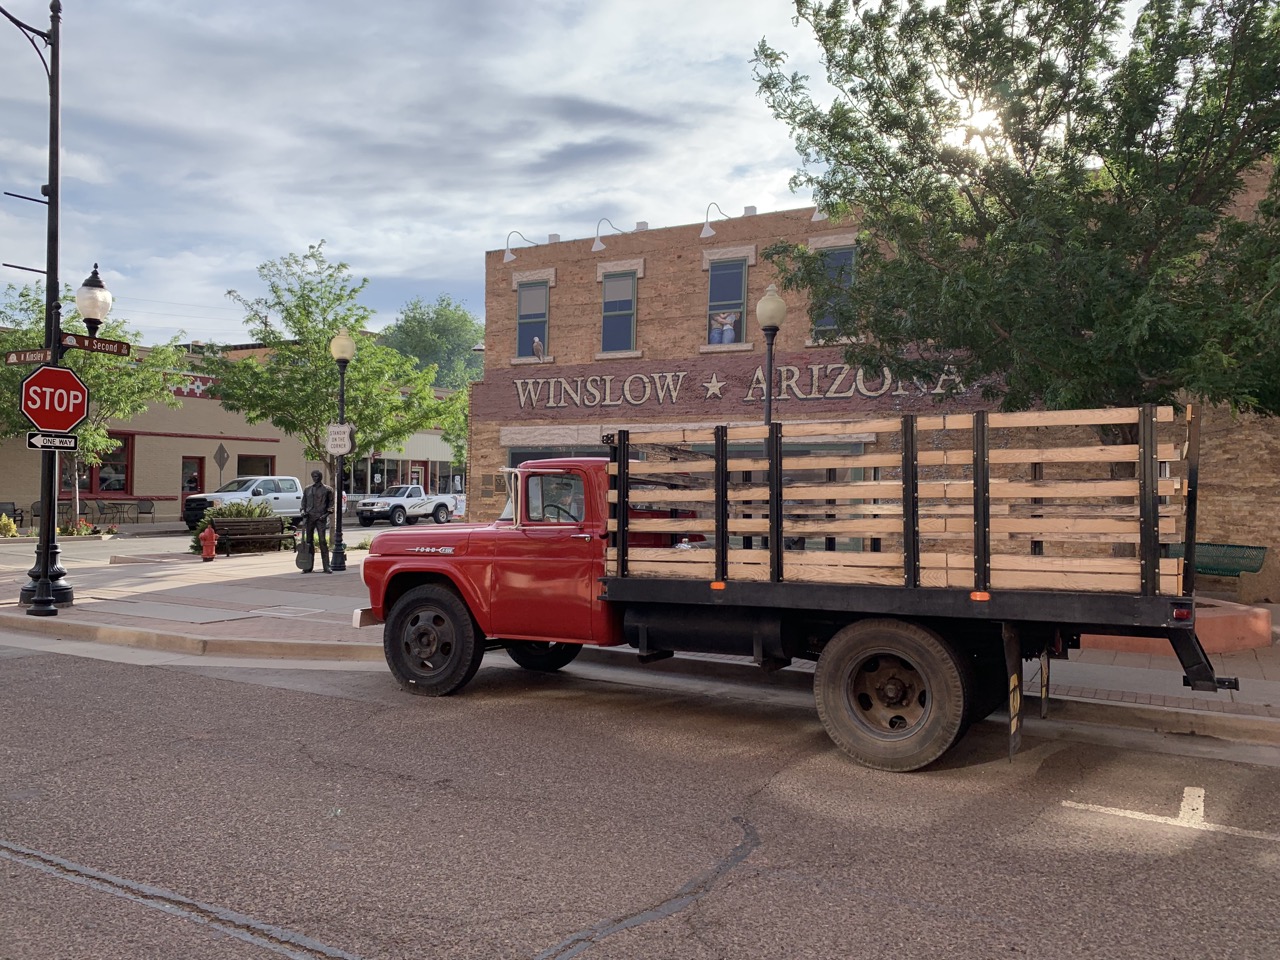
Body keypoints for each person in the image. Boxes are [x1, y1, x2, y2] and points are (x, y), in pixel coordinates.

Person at [300, 469, 334, 573]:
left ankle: (326, 566)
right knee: (309, 542)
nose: (315, 478)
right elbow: (303, 504)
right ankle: (308, 566)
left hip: (320, 517)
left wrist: (325, 515)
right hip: (309, 517)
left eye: (316, 476)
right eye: (313, 476)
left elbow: (331, 505)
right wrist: (303, 512)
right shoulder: (307, 489)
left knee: (322, 541)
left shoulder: (327, 490)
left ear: (320, 477)